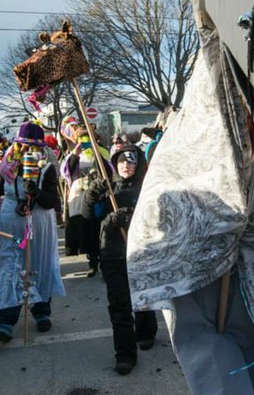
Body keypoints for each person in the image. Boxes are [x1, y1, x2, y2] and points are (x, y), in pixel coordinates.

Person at [0, 121, 66, 342]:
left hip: (40, 222)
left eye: (33, 146)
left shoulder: (47, 167)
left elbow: (51, 202)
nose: (28, 150)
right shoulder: (6, 167)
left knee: (40, 265)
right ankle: (5, 321)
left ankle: (41, 312)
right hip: (12, 221)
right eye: (23, 145)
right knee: (10, 268)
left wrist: (36, 192)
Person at [81, 145, 157, 375]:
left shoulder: (147, 189)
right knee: (119, 305)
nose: (126, 166)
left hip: (140, 251)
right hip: (112, 253)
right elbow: (88, 216)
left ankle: (146, 331)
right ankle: (125, 354)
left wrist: (132, 217)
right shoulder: (108, 189)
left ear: (138, 165)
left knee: (142, 297)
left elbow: (156, 217)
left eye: (131, 162)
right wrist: (92, 195)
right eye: (122, 161)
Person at [61, 125, 112, 277]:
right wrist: (75, 155)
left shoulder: (101, 152)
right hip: (81, 198)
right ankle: (92, 262)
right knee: (87, 231)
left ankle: (104, 261)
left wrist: (98, 154)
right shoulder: (74, 155)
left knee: (100, 230)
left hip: (99, 196)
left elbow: (110, 171)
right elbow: (67, 172)